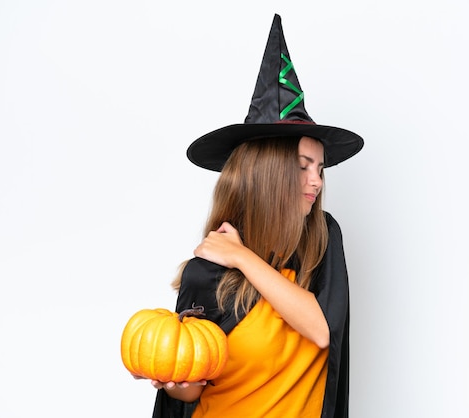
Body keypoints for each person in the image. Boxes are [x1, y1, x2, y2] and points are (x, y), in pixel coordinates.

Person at [143, 14, 364, 418]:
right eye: (302, 166)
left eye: (320, 168)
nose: (315, 181)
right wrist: (176, 383)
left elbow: (320, 329)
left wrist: (242, 257)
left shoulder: (322, 240)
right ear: (268, 174)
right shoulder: (204, 273)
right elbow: (191, 393)